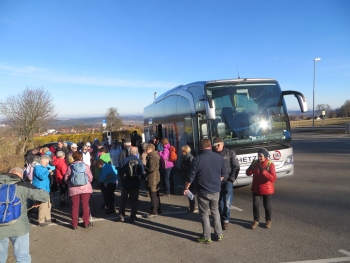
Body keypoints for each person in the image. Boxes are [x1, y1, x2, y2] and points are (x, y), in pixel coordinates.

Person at [0, 168, 49, 263]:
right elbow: (44, 196)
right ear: (21, 176)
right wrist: (38, 201)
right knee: (22, 257)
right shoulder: (23, 185)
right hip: (19, 227)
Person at [183, 139, 226, 244]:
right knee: (215, 212)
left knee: (204, 214)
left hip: (203, 191)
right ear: (210, 146)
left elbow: (190, 176)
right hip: (216, 190)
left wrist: (186, 188)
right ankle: (219, 234)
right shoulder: (218, 157)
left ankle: (207, 236)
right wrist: (216, 181)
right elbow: (223, 173)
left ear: (200, 148)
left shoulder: (197, 159)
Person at [212, 137, 240, 230]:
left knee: (227, 203)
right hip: (216, 182)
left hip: (227, 181)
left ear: (222, 144)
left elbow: (236, 167)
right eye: (215, 145)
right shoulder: (212, 153)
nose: (216, 147)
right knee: (219, 202)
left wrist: (231, 179)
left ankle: (225, 220)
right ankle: (220, 219)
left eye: (218, 145)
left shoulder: (230, 153)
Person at [246, 148, 276, 229]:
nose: (259, 157)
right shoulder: (255, 163)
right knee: (255, 205)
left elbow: (273, 178)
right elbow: (248, 173)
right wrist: (250, 168)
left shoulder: (270, 165)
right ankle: (256, 220)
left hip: (267, 189)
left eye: (261, 156)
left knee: (267, 206)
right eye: (258, 156)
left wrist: (264, 172)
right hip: (256, 188)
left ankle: (268, 221)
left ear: (265, 156)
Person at [64, 151, 93, 229]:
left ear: (73, 157)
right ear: (81, 157)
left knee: (74, 206)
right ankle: (86, 222)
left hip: (74, 189)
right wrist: (87, 182)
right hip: (85, 188)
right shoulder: (85, 166)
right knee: (85, 205)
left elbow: (66, 178)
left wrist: (69, 183)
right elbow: (90, 177)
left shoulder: (70, 167)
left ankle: (74, 224)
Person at [118, 147, 144, 223]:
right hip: (135, 183)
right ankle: (133, 216)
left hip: (126, 182)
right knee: (134, 201)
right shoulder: (138, 161)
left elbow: (120, 171)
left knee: (123, 200)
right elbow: (141, 172)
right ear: (136, 152)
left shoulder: (124, 160)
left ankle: (121, 215)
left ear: (130, 152)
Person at [32, 155, 52, 227]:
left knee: (48, 204)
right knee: (43, 205)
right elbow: (42, 177)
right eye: (47, 162)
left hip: (46, 188)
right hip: (40, 188)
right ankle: (41, 220)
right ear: (42, 161)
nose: (48, 163)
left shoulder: (44, 167)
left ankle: (47, 217)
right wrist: (48, 171)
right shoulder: (37, 168)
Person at [144, 143, 161, 218]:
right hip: (155, 177)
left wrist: (145, 167)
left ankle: (154, 211)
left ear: (151, 149)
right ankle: (157, 209)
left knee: (153, 194)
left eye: (147, 149)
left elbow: (151, 169)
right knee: (156, 194)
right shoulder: (154, 156)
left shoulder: (152, 157)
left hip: (153, 178)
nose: (146, 150)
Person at [181, 145, 197, 213]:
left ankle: (192, 207)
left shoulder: (190, 158)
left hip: (190, 178)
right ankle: (193, 205)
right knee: (190, 193)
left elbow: (192, 170)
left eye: (182, 151)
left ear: (185, 151)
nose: (181, 152)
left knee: (190, 192)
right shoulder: (185, 157)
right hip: (186, 176)